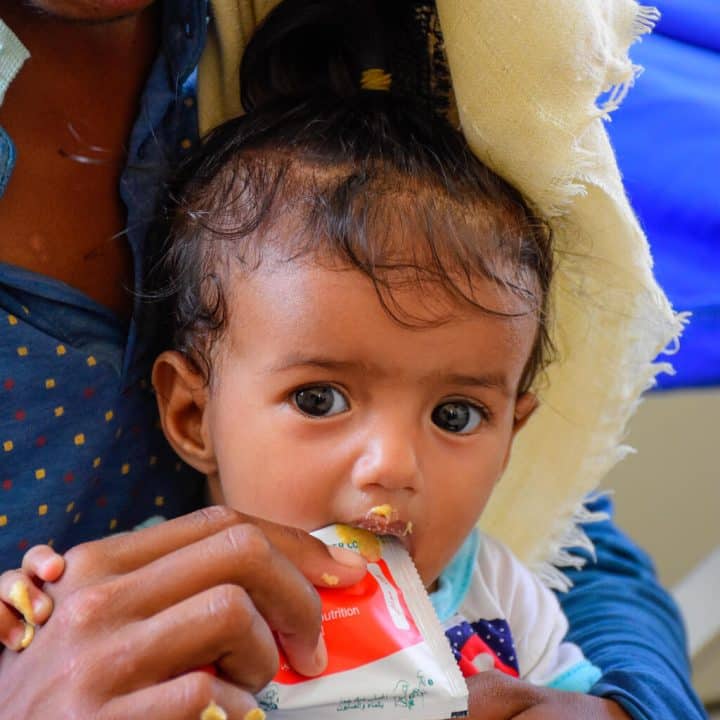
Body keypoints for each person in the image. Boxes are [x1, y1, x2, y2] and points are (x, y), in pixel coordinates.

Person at [0, 1, 706, 719]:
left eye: (457, 415)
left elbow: (595, 592)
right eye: (318, 400)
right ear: (190, 413)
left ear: (513, 437)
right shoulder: (158, 598)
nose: (392, 465)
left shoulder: (499, 588)